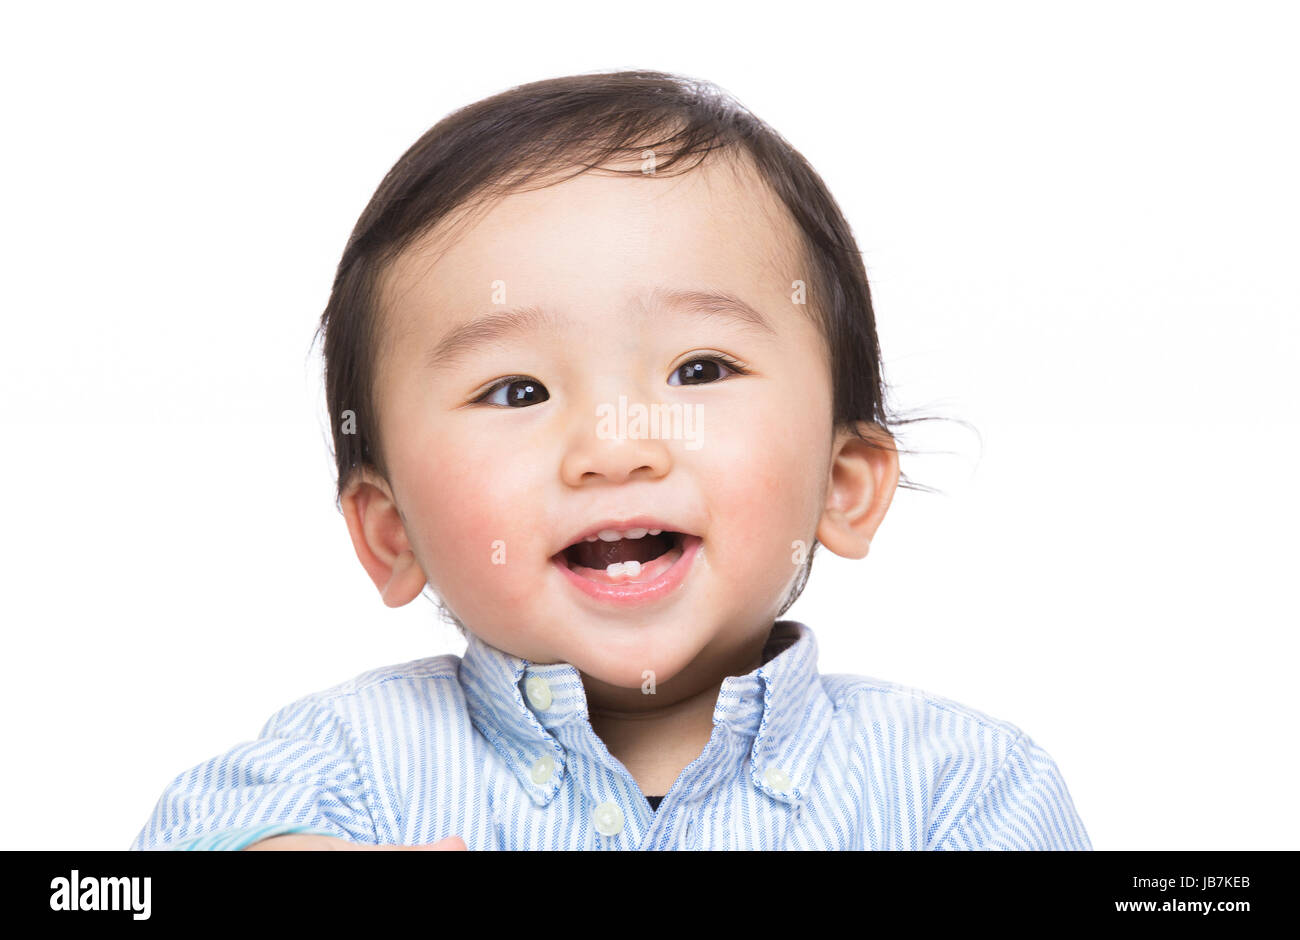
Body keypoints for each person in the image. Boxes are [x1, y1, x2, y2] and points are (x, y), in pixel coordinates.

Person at [131, 69, 1090, 851]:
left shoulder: (957, 789)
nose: (615, 445)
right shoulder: (344, 770)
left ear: (844, 486)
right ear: (390, 533)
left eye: (699, 368)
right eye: (518, 392)